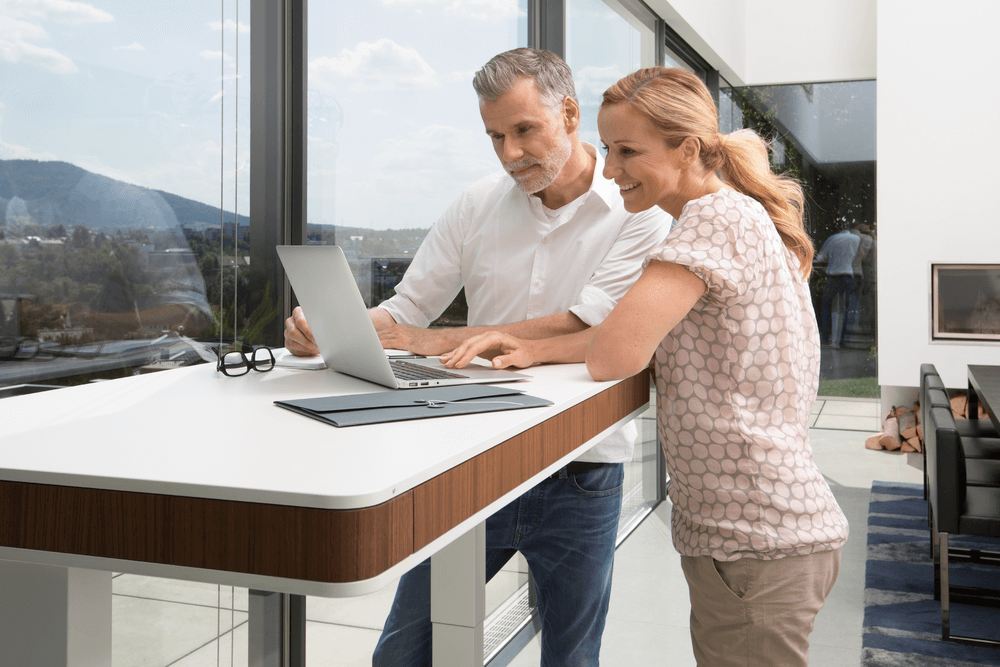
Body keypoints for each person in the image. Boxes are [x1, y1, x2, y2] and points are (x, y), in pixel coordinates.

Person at [443, 67, 849, 667]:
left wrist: (554, 344)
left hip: (756, 540)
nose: (609, 170)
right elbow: (632, 334)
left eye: (628, 151)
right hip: (760, 532)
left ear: (688, 148)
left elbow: (615, 352)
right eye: (608, 149)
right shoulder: (735, 216)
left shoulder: (713, 220)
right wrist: (532, 347)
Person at [284, 48, 671, 666]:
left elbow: (583, 323)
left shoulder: (637, 210)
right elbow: (408, 308)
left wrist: (426, 340)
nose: (510, 154)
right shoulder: (475, 204)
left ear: (569, 114)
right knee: (403, 654)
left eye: (524, 131)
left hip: (581, 471)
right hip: (475, 462)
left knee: (572, 659)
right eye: (495, 136)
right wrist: (334, 329)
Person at [814, 224, 859, 347]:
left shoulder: (832, 239)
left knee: (826, 306)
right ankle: (842, 340)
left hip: (833, 277)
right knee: (846, 309)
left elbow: (820, 257)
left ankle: (825, 337)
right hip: (848, 276)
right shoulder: (856, 239)